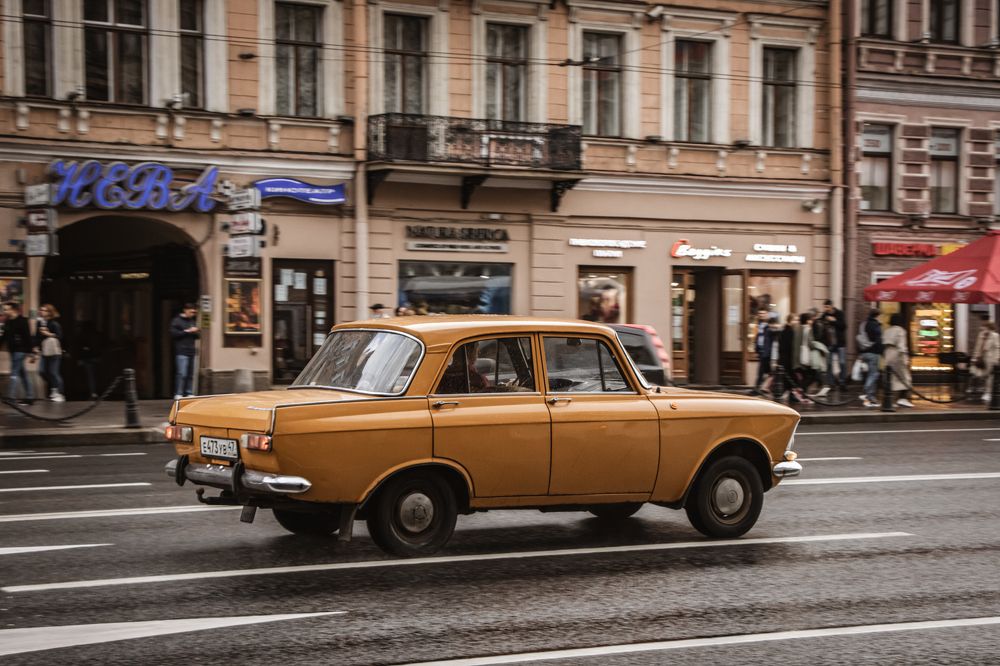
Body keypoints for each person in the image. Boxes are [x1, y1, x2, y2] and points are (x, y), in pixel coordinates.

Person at [1, 301, 35, 405]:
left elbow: (27, 337)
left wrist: (31, 352)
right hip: (13, 350)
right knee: (22, 373)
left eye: (7, 309)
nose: (5, 311)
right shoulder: (8, 322)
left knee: (14, 372)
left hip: (20, 350)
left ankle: (11, 396)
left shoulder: (23, 321)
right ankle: (30, 396)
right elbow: (4, 337)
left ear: (13, 309)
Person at [34, 303, 65, 402]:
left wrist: (48, 334)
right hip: (44, 350)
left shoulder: (54, 324)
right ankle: (54, 388)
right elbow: (37, 337)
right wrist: (36, 348)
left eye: (44, 310)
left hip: (54, 351)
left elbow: (60, 337)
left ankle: (60, 393)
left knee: (53, 372)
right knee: (41, 371)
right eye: (41, 310)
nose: (42, 312)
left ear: (50, 312)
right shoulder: (39, 323)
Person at [883, 313, 913, 408]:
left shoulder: (887, 331)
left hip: (888, 355)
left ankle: (891, 400)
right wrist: (905, 359)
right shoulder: (900, 330)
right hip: (897, 355)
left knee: (891, 379)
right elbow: (901, 346)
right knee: (905, 378)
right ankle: (902, 398)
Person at [170, 303, 199, 399]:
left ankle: (189, 392)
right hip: (181, 350)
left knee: (190, 373)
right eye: (191, 312)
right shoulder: (177, 321)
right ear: (185, 310)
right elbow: (173, 334)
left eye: (194, 312)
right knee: (182, 373)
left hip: (191, 350)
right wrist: (187, 331)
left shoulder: (192, 321)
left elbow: (197, 337)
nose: (192, 314)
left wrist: (196, 332)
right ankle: (178, 393)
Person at [858, 309, 884, 408]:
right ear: (877, 316)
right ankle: (866, 392)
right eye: (880, 316)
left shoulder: (864, 324)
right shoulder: (875, 325)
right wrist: (882, 351)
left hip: (865, 352)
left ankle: (871, 397)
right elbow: (878, 340)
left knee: (870, 374)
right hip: (873, 353)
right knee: (874, 374)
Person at [971, 319, 999, 402]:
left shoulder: (995, 335)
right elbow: (977, 347)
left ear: (989, 328)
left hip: (991, 358)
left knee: (990, 377)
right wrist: (974, 357)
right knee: (980, 375)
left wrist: (997, 358)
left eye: (984, 328)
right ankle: (981, 390)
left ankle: (988, 393)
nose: (982, 329)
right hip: (982, 358)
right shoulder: (981, 335)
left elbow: (998, 348)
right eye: (982, 328)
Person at [822, 300, 847, 388]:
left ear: (831, 306)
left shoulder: (839, 313)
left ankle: (842, 382)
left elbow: (844, 326)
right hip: (829, 343)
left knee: (842, 363)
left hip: (840, 343)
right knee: (829, 363)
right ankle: (831, 383)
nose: (825, 309)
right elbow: (821, 325)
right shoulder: (824, 315)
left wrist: (833, 321)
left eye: (827, 307)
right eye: (824, 307)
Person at [753, 309, 775, 394]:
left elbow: (772, 340)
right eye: (760, 313)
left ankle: (757, 388)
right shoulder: (759, 325)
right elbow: (757, 338)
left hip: (767, 352)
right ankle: (766, 387)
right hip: (761, 351)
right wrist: (756, 349)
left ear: (767, 314)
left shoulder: (770, 325)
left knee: (761, 371)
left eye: (763, 313)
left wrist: (770, 352)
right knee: (768, 371)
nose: (761, 315)